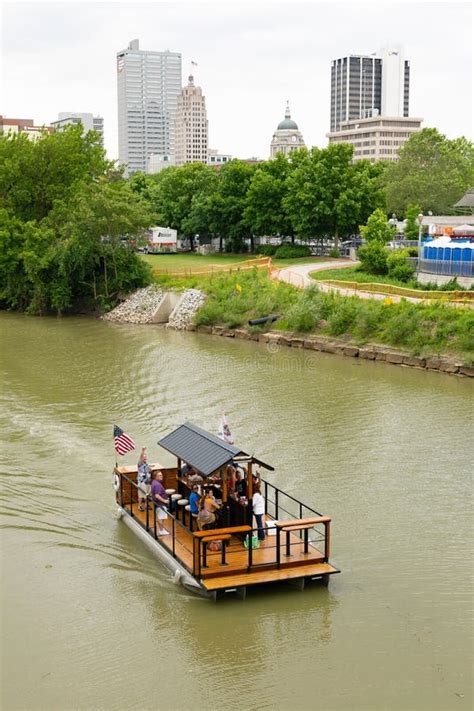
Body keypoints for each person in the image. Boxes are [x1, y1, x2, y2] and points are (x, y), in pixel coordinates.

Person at [150, 470, 169, 535]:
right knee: (161, 517)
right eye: (160, 475)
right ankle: (161, 530)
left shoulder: (154, 482)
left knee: (160, 517)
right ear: (155, 477)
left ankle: (161, 529)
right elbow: (157, 495)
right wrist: (165, 501)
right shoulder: (157, 485)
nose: (161, 476)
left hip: (157, 504)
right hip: (160, 504)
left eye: (161, 475)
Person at [137, 447, 151, 512]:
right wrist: (142, 451)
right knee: (141, 494)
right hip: (142, 482)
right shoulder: (140, 463)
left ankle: (146, 505)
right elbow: (140, 457)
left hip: (147, 481)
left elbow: (148, 471)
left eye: (145, 457)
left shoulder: (146, 464)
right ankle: (139, 506)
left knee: (147, 494)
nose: (145, 458)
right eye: (143, 457)